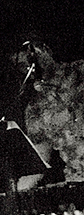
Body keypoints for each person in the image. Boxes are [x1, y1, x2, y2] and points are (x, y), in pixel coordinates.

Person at [13, 39, 84, 187]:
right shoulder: (35, 108)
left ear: (46, 50)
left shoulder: (79, 71)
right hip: (78, 181)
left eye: (31, 58)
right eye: (21, 65)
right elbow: (40, 161)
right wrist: (14, 194)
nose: (29, 66)